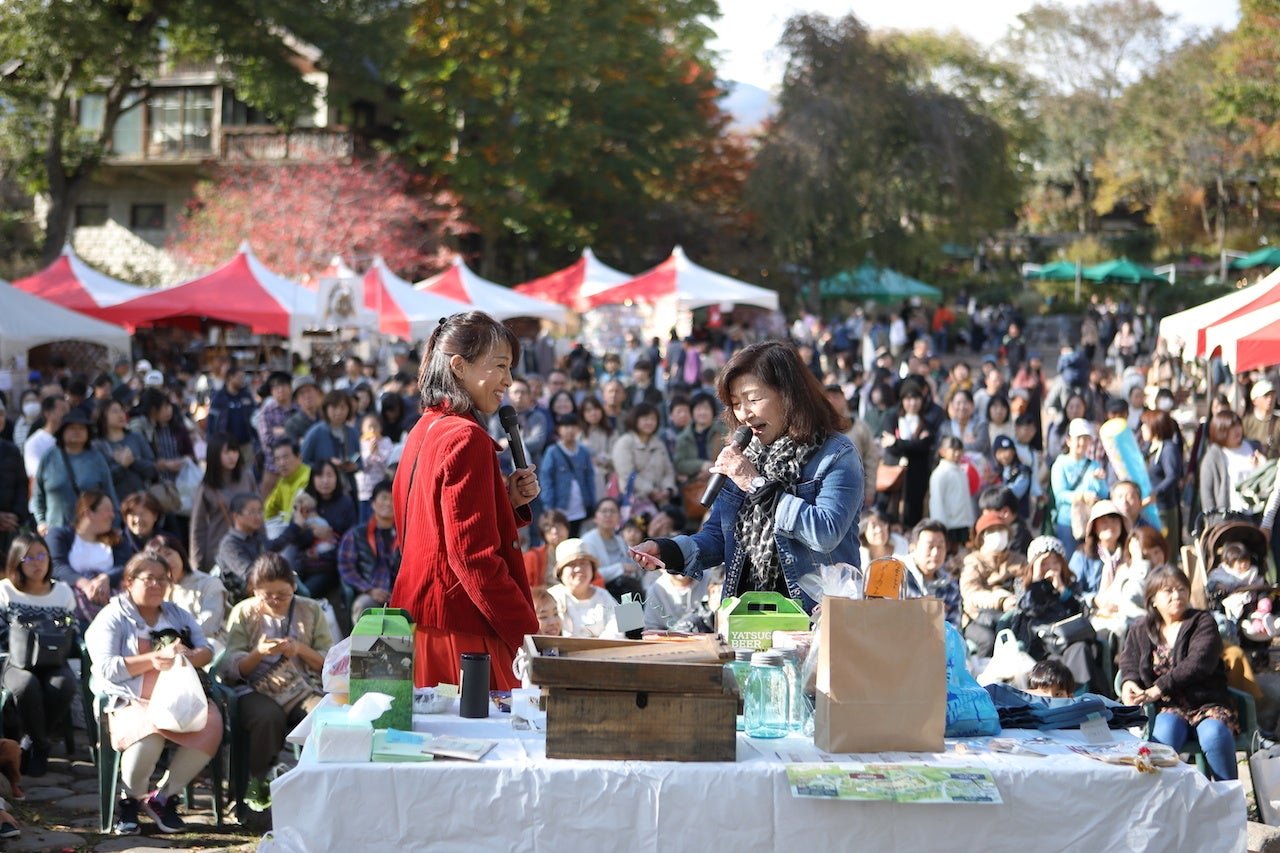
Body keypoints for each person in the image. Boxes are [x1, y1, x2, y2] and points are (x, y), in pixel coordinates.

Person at [633, 342, 864, 614]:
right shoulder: (745, 455)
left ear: (789, 395)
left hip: (814, 617)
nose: (745, 413)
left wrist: (755, 484)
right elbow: (718, 536)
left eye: (753, 399)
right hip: (746, 617)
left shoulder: (836, 455)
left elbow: (825, 532)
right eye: (736, 404)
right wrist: (668, 550)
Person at [390, 312, 539, 691]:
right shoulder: (464, 437)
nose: (509, 380)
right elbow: (472, 556)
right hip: (461, 630)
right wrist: (527, 634)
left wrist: (505, 500)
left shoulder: (424, 427)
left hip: (421, 620)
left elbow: (434, 529)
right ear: (459, 366)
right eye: (500, 366)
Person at [85, 552, 222, 835]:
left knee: (211, 724)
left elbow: (206, 649)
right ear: (129, 581)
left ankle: (163, 797)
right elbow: (107, 668)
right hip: (130, 699)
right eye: (149, 579)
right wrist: (152, 660)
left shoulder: (177, 614)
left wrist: (190, 656)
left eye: (163, 579)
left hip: (179, 698)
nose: (157, 585)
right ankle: (130, 800)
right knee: (150, 735)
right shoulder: (112, 617)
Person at [220, 553, 331, 812]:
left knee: (324, 715)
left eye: (283, 595)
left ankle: (317, 789)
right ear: (254, 590)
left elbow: (328, 661)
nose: (275, 601)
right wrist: (258, 653)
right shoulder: (244, 611)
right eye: (267, 595)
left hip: (301, 686)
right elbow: (230, 668)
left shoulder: (310, 609)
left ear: (294, 587)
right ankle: (255, 790)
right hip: (253, 688)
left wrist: (300, 649)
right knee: (267, 718)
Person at [1119, 566, 1239, 780]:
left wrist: (1158, 688)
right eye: (1168, 590)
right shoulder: (1140, 628)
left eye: (1182, 589)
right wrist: (1129, 684)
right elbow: (1129, 663)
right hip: (1168, 707)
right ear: (1153, 599)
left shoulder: (1202, 622)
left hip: (1208, 704)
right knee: (1163, 740)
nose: (1177, 596)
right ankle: (1163, 798)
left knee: (1215, 735)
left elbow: (1198, 663)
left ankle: (1229, 795)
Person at [0, 533, 77, 777]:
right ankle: (41, 745)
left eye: (42, 556)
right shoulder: (5, 590)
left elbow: (72, 629)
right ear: (17, 561)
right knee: (26, 685)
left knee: (64, 684)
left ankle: (31, 742)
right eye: (29, 557)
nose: (37, 563)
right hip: (15, 661)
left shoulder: (62, 591)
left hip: (53, 660)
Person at [1007, 535, 1100, 691]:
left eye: (1055, 562)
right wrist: (1037, 582)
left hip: (1068, 640)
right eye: (1044, 563)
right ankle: (1064, 696)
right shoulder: (1024, 585)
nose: (1050, 567)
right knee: (1055, 663)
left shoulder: (1071, 584)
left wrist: (1062, 590)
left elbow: (1082, 613)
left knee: (1080, 649)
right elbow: (1030, 609)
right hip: (1042, 645)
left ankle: (1079, 695)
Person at [48, 489, 129, 626]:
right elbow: (56, 565)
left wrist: (105, 578)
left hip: (111, 611)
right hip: (70, 611)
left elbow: (126, 566)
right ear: (88, 513)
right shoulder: (60, 535)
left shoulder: (118, 540)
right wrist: (84, 583)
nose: (112, 516)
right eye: (107, 510)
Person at [32, 408, 118, 536]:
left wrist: (114, 524)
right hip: (55, 530)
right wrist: (41, 522)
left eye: (81, 428)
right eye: (72, 428)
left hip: (90, 531)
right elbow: (38, 495)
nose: (77, 431)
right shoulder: (49, 457)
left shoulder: (96, 458)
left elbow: (109, 493)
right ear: (62, 431)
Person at [959, 508, 1027, 657]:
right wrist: (1001, 600)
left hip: (1013, 615)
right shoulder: (973, 561)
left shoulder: (1019, 560)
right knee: (988, 641)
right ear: (982, 537)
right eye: (992, 531)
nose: (998, 535)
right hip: (977, 617)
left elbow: (1027, 586)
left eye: (1001, 530)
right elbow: (971, 592)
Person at [148, 533, 227, 655]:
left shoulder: (209, 583)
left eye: (168, 554)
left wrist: (178, 639)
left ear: (180, 553)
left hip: (209, 647)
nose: (167, 562)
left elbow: (209, 624)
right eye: (160, 559)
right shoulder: (156, 591)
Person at [189, 432, 257, 574]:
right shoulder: (206, 488)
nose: (232, 456)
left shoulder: (247, 477)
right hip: (218, 549)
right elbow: (198, 527)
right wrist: (197, 564)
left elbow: (258, 511)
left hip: (248, 546)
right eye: (227, 452)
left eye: (235, 451)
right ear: (215, 454)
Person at [878, 379, 940, 528]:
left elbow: (924, 447)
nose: (913, 403)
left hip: (916, 476)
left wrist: (897, 442)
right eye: (908, 398)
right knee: (888, 513)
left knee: (913, 515)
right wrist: (913, 444)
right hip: (893, 474)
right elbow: (890, 448)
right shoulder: (892, 419)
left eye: (916, 398)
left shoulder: (926, 423)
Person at [337, 480, 401, 623]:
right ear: (373, 503)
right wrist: (369, 590)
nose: (388, 503)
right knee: (363, 605)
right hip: (371, 593)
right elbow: (346, 567)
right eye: (384, 498)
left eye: (393, 499)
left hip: (401, 594)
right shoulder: (356, 534)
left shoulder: (406, 534)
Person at [1049, 418, 1108, 560]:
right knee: (1070, 560)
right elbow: (1060, 494)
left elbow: (1104, 493)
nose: (1082, 443)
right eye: (1078, 438)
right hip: (1067, 522)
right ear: (1069, 441)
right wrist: (1081, 496)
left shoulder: (1094, 464)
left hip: (1090, 521)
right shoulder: (1060, 464)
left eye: (1086, 439)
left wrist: (1099, 481)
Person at [611, 402, 676, 515]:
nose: (650, 422)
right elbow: (627, 474)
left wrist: (667, 489)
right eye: (645, 419)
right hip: (635, 502)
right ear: (635, 420)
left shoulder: (658, 443)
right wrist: (650, 490)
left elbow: (668, 471)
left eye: (653, 419)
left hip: (661, 501)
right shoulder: (625, 443)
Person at [548, 539, 621, 638]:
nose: (578, 569)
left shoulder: (604, 596)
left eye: (583, 563)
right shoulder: (552, 597)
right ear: (560, 572)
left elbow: (617, 630)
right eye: (572, 564)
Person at [539, 413, 596, 537]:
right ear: (559, 429)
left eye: (573, 426)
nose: (570, 430)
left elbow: (589, 478)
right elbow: (546, 479)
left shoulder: (583, 451)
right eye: (565, 426)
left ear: (578, 429)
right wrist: (549, 507)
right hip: (560, 506)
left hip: (580, 506)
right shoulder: (552, 452)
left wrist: (592, 503)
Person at [92, 399, 159, 504]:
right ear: (102, 416)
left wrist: (132, 462)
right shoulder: (97, 445)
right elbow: (103, 480)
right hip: (114, 504)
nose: (121, 415)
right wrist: (122, 466)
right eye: (115, 411)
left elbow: (153, 470)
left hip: (142, 501)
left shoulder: (136, 437)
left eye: (122, 410)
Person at [1199, 411, 1261, 522]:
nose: (1236, 430)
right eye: (1231, 427)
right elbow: (1207, 493)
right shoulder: (1213, 456)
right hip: (1228, 517)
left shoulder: (1253, 447)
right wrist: (1212, 521)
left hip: (1256, 514)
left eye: (1238, 425)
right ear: (1220, 431)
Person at [901, 519, 962, 628]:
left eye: (940, 547)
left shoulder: (949, 585)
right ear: (912, 548)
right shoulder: (897, 577)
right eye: (930, 546)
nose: (935, 553)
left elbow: (953, 626)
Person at [580, 497, 643, 600]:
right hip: (600, 591)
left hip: (626, 589)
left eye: (613, 511)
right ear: (595, 517)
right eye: (604, 511)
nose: (608, 515)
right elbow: (590, 574)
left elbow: (632, 566)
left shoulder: (620, 541)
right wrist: (620, 568)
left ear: (619, 517)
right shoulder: (587, 541)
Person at [1068, 499, 1130, 601]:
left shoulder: (1130, 553)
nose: (1110, 525)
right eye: (1104, 522)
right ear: (1094, 527)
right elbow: (1073, 591)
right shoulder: (1082, 555)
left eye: (1114, 520)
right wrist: (1094, 600)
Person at [1140, 410, 1183, 552]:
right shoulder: (1149, 447)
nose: (1142, 428)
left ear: (1155, 426)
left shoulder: (1168, 448)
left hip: (1163, 507)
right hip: (1147, 507)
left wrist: (1155, 493)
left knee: (1165, 548)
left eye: (1145, 425)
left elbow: (1173, 476)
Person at [301, 390, 360, 491]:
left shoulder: (353, 433)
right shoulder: (316, 432)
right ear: (326, 409)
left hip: (348, 486)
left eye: (342, 407)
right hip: (322, 487)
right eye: (334, 407)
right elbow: (303, 461)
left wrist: (354, 465)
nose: (339, 412)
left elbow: (359, 457)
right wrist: (325, 465)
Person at [214, 493, 267, 594]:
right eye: (252, 512)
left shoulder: (257, 537)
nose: (258, 516)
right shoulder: (229, 544)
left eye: (260, 511)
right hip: (238, 597)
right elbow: (251, 574)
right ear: (236, 515)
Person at [929, 436, 976, 545]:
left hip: (963, 523)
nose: (957, 453)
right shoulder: (940, 473)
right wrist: (940, 527)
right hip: (949, 525)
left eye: (960, 450)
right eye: (954, 450)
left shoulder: (961, 472)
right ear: (942, 452)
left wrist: (970, 521)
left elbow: (966, 500)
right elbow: (936, 502)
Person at [262, 440, 311, 535]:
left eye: (286, 457)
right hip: (288, 532)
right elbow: (269, 509)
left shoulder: (308, 478)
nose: (282, 463)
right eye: (277, 459)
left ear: (299, 457)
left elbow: (296, 515)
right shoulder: (283, 480)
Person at [354, 413, 393, 524]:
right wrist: (369, 453)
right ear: (362, 429)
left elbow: (386, 464)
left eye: (375, 426)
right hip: (363, 490)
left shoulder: (385, 441)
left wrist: (377, 452)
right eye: (369, 427)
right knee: (364, 522)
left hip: (379, 489)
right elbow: (360, 465)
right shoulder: (359, 443)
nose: (372, 430)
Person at [523, 510, 570, 589]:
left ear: (567, 528)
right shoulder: (532, 556)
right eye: (548, 528)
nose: (555, 531)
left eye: (558, 526)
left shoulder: (579, 551)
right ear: (543, 533)